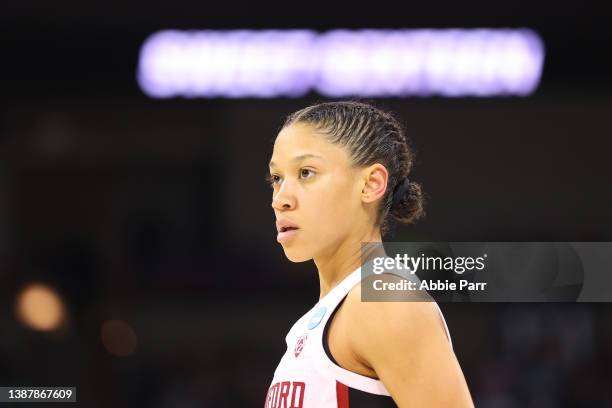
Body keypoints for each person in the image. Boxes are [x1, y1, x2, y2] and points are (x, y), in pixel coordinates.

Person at [264, 101, 474, 407]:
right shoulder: (319, 319)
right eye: (277, 178)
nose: (280, 199)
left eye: (306, 173)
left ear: (371, 184)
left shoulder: (385, 301)